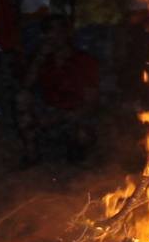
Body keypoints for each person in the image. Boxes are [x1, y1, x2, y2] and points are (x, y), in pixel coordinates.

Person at [16, 16, 99, 167]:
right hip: (49, 110)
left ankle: (77, 152)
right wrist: (40, 57)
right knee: (22, 99)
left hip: (73, 113)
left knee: (81, 137)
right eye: (48, 32)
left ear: (66, 33)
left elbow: (91, 99)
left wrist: (64, 116)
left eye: (56, 31)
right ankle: (32, 154)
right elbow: (26, 85)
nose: (52, 36)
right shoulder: (44, 61)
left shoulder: (83, 60)